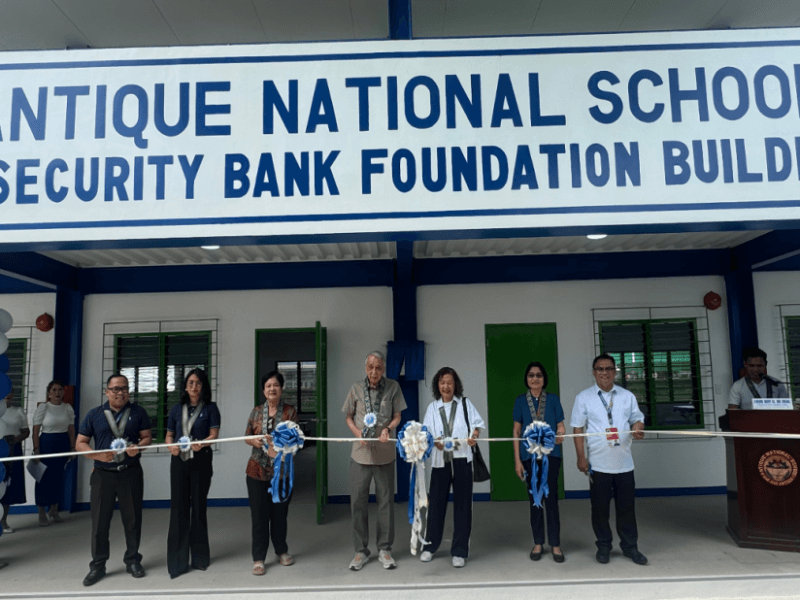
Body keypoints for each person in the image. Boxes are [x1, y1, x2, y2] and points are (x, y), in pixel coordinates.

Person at [75, 374, 152, 586]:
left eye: (124, 388)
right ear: (107, 391)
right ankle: (98, 566)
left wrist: (139, 447)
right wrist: (96, 455)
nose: (120, 393)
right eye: (116, 389)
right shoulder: (94, 414)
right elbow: (80, 443)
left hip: (130, 472)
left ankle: (133, 561)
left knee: (133, 520)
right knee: (99, 522)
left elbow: (147, 437)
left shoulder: (138, 412)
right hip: (102, 474)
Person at [571, 353, 647, 566]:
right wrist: (581, 457)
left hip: (624, 464)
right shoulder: (583, 398)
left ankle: (630, 547)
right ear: (594, 372)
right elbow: (577, 429)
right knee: (600, 509)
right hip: (598, 464)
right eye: (600, 369)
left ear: (615, 372)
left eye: (608, 368)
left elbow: (637, 419)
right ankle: (604, 546)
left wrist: (638, 428)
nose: (604, 372)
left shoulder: (627, 396)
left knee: (627, 509)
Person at [343, 350, 406, 571]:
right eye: (370, 367)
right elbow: (348, 416)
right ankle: (360, 551)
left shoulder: (393, 387)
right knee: (358, 503)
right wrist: (357, 433)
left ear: (383, 369)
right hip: (360, 455)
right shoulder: (356, 388)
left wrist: (388, 428)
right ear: (365, 367)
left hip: (384, 454)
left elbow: (397, 415)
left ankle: (385, 549)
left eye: (378, 367)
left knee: (385, 503)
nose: (374, 371)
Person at [420, 367, 484, 568]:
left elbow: (477, 425)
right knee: (436, 505)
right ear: (437, 385)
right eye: (442, 382)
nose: (446, 386)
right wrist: (434, 441)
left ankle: (459, 551)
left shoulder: (464, 403)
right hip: (440, 461)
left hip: (462, 459)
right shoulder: (433, 407)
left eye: (449, 382)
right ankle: (430, 546)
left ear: (455, 384)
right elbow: (425, 433)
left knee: (463, 506)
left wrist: (474, 436)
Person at [165, 368, 220, 579]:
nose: (194, 386)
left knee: (198, 507)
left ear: (203, 386)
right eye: (190, 383)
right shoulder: (176, 409)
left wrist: (203, 443)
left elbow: (214, 435)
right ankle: (177, 563)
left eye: (198, 383)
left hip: (201, 462)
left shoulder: (211, 408)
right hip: (179, 462)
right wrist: (170, 446)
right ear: (185, 386)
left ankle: (200, 559)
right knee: (178, 509)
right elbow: (169, 435)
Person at [244, 370, 297, 576]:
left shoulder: (289, 412)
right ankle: (258, 558)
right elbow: (246, 437)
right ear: (264, 390)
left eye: (275, 385)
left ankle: (281, 550)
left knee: (279, 514)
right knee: (259, 516)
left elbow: (296, 440)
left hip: (281, 473)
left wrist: (280, 446)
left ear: (281, 389)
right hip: (256, 471)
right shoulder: (256, 412)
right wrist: (254, 441)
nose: (272, 389)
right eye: (268, 386)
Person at [512, 362, 566, 563]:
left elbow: (561, 425)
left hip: (551, 455)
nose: (535, 378)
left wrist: (561, 434)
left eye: (539, 375)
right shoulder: (520, 401)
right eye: (531, 375)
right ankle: (538, 542)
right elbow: (516, 431)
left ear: (544, 379)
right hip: (529, 457)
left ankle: (556, 544)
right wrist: (517, 460)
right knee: (535, 500)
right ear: (526, 379)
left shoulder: (553, 399)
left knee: (551, 499)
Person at [32, 380, 75, 526]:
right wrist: (36, 450)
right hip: (46, 444)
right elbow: (36, 431)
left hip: (62, 443)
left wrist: (72, 447)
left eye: (60, 390)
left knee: (58, 478)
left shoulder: (67, 408)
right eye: (54, 390)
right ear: (49, 394)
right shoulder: (43, 407)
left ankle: (54, 510)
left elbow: (71, 429)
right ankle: (41, 512)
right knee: (42, 478)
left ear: (63, 392)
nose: (57, 393)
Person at [1, 390, 30, 533]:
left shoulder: (18, 411)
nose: (8, 394)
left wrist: (16, 439)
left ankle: (3, 520)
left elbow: (26, 431)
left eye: (10, 392)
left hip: (13, 449)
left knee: (8, 485)